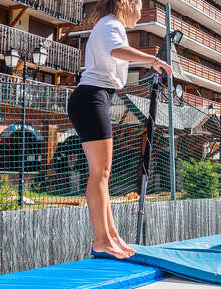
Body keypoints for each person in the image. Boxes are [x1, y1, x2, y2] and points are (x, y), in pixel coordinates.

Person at [67, 0, 172, 259]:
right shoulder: (110, 25)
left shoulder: (110, 25)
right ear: (125, 4)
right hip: (91, 97)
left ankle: (111, 236)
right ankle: (101, 240)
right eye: (137, 4)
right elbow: (118, 51)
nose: (140, 10)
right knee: (99, 173)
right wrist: (153, 60)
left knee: (103, 172)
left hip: (97, 97)